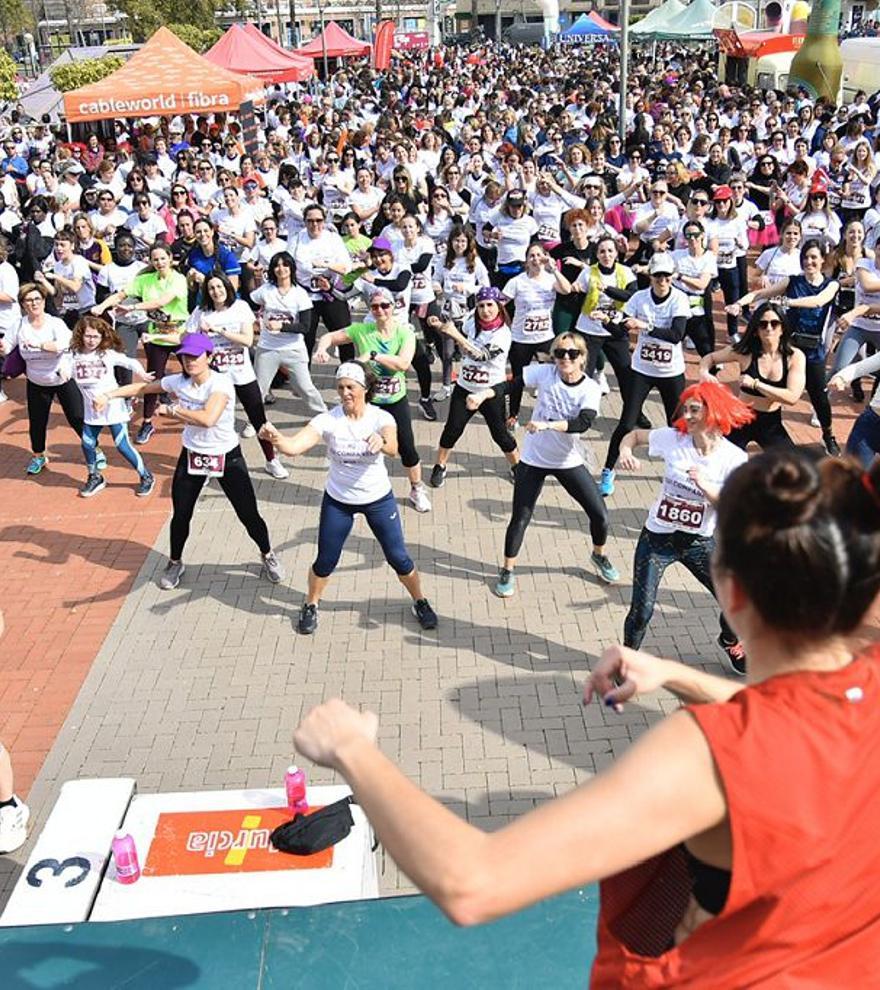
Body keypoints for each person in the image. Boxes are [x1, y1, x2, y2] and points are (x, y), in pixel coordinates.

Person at [291, 448, 880, 986]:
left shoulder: (704, 753)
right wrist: (675, 675)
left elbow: (472, 881)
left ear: (732, 591)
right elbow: (796, 726)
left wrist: (353, 750)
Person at [93, 332, 284, 591]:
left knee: (248, 513)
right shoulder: (178, 381)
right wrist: (110, 395)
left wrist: (172, 410)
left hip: (226, 456)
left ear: (209, 356)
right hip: (192, 455)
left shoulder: (221, 384)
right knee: (181, 514)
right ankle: (175, 562)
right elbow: (143, 387)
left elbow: (208, 419)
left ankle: (267, 553)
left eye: (195, 356)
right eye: (184, 357)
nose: (189, 361)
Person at [260, 362, 438, 636]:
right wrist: (277, 439)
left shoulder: (381, 418)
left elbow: (393, 447)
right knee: (325, 561)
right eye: (340, 387)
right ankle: (311, 604)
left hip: (378, 499)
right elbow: (295, 447)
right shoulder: (328, 420)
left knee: (398, 557)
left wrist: (381, 442)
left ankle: (420, 601)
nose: (345, 393)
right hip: (339, 501)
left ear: (365, 389)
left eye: (350, 387)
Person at [467, 331, 620, 597]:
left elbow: (582, 424)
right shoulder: (544, 373)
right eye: (560, 353)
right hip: (534, 459)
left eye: (572, 353)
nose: (565, 358)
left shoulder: (590, 389)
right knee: (521, 517)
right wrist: (483, 395)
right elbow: (510, 386)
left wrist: (547, 425)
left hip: (567, 461)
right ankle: (507, 570)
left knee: (600, 515)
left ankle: (598, 555)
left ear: (583, 358)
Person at [616, 382, 752, 672]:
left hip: (698, 544)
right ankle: (626, 660)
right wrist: (626, 452)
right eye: (685, 410)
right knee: (642, 611)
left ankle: (729, 640)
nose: (686, 416)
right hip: (657, 540)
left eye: (694, 410)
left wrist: (705, 486)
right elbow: (635, 435)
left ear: (713, 412)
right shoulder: (673, 439)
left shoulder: (734, 459)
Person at [314, 289, 432, 514]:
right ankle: (356, 495)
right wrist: (322, 348)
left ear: (393, 306)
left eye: (384, 305)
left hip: (396, 399)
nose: (380, 310)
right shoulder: (362, 329)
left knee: (406, 447)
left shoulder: (405, 332)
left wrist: (373, 356)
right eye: (375, 306)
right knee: (360, 445)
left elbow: (404, 364)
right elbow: (330, 336)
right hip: (369, 402)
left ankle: (417, 488)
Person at [728, 239, 841, 455]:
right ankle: (765, 432)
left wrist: (787, 303)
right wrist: (740, 303)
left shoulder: (831, 284)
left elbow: (818, 301)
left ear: (823, 260)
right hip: (789, 345)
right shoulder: (793, 281)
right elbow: (760, 294)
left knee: (818, 395)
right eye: (806, 257)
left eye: (814, 257)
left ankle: (828, 434)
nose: (809, 261)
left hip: (813, 348)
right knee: (771, 387)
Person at [601, 252, 691, 496]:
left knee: (678, 425)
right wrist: (607, 321)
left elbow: (677, 335)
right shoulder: (640, 298)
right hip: (642, 369)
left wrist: (646, 327)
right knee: (627, 422)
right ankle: (608, 470)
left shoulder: (679, 299)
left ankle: (681, 474)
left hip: (671, 372)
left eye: (666, 276)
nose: (662, 281)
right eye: (657, 276)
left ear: (672, 277)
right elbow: (621, 325)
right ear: (650, 277)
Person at [187, 272, 287, 479]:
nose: (216, 292)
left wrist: (218, 330)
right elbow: (187, 337)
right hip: (215, 378)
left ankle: (271, 460)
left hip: (242, 374)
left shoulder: (240, 307)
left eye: (220, 287)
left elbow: (247, 340)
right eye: (212, 288)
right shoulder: (201, 312)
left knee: (259, 418)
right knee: (213, 423)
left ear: (227, 287)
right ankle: (209, 467)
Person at [91, 241, 188, 445]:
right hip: (157, 335)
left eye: (163, 258)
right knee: (154, 378)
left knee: (192, 372)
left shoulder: (178, 279)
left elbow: (162, 301)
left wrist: (133, 308)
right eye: (155, 259)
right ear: (151, 261)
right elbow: (121, 294)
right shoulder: (145, 279)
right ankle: (147, 422)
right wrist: (102, 306)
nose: (160, 262)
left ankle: (197, 413)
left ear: (170, 258)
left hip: (179, 333)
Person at [428, 286, 519, 488]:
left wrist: (455, 335)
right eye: (481, 306)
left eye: (490, 305)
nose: (485, 310)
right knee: (452, 429)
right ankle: (440, 465)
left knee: (500, 434)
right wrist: (441, 325)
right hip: (465, 387)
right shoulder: (472, 319)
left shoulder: (502, 334)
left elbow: (481, 355)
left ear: (499, 306)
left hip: (491, 392)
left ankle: (517, 466)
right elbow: (458, 329)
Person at [1, 282, 85, 476]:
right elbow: (7, 345)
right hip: (37, 381)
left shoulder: (54, 323)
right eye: (28, 300)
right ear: (23, 305)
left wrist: (40, 345)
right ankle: (39, 456)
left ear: (44, 301)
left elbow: (65, 344)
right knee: (37, 422)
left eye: (37, 299)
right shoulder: (19, 325)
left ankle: (94, 449)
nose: (33, 303)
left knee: (77, 418)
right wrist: (3, 346)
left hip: (61, 377)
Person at [69, 314, 155, 497]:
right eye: (88, 336)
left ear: (102, 337)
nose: (91, 340)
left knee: (122, 445)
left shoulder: (106, 354)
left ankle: (146, 475)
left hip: (112, 406)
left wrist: (143, 374)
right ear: (80, 335)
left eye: (96, 337)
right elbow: (62, 369)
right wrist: (60, 373)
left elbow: (129, 362)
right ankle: (95, 476)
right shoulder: (73, 356)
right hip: (91, 409)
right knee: (87, 443)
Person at [700, 303, 806, 450]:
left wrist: (756, 384)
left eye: (774, 324)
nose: (769, 328)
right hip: (740, 417)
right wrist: (704, 372)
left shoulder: (794, 356)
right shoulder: (745, 352)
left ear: (782, 328)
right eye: (763, 324)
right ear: (756, 330)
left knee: (791, 465)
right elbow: (710, 358)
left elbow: (792, 397)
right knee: (720, 459)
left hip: (771, 421)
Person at [251, 251, 327, 417]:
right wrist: (256, 279)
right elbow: (252, 300)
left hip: (293, 348)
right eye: (277, 265)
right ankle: (255, 422)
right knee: (259, 388)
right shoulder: (266, 290)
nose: (281, 269)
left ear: (292, 268)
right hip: (267, 348)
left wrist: (281, 326)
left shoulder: (300, 294)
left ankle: (323, 416)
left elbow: (305, 326)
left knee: (305, 388)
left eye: (285, 265)